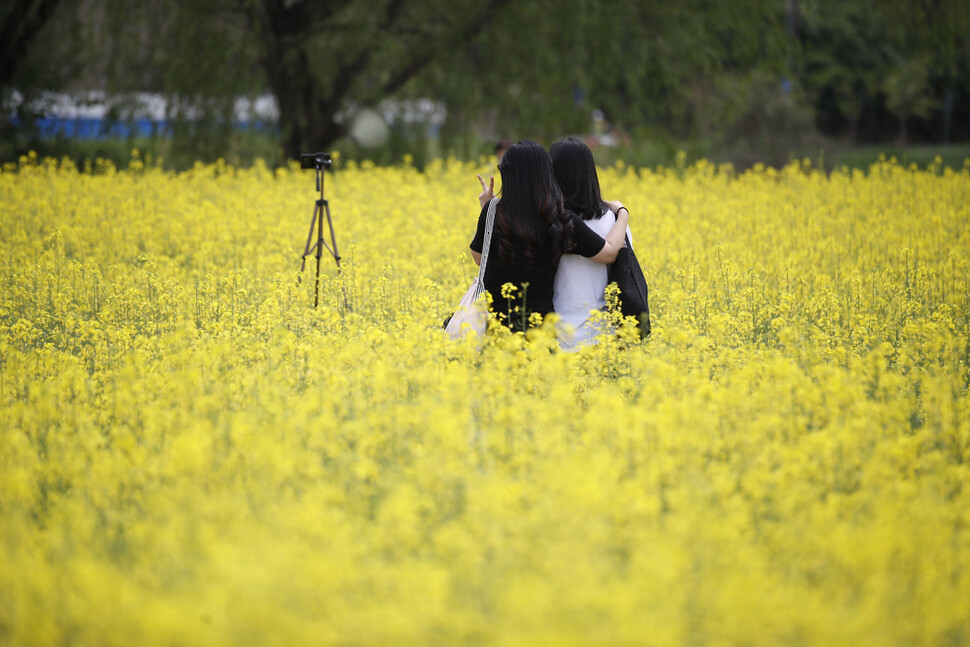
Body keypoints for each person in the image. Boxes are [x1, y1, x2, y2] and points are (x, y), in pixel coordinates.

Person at [469, 139, 629, 332]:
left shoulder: (492, 211)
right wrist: (622, 214)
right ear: (546, 174)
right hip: (539, 335)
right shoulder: (557, 217)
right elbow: (610, 253)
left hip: (495, 332)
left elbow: (479, 259)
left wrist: (488, 209)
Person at [549, 137, 633, 350]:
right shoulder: (615, 222)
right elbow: (625, 274)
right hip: (605, 338)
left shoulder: (549, 222)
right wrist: (623, 213)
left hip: (557, 338)